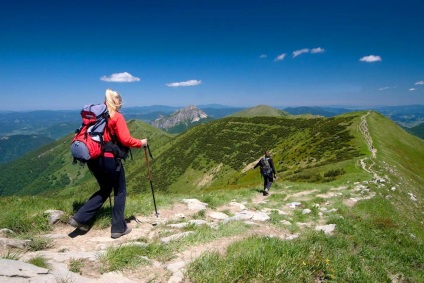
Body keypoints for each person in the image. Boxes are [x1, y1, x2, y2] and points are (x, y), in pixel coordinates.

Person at [68, 89, 148, 239]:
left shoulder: (95, 116)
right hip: (110, 159)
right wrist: (141, 143)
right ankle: (118, 227)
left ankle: (79, 218)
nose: (121, 105)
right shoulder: (116, 117)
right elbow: (125, 140)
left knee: (105, 188)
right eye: (120, 101)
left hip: (93, 158)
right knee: (119, 190)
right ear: (116, 101)